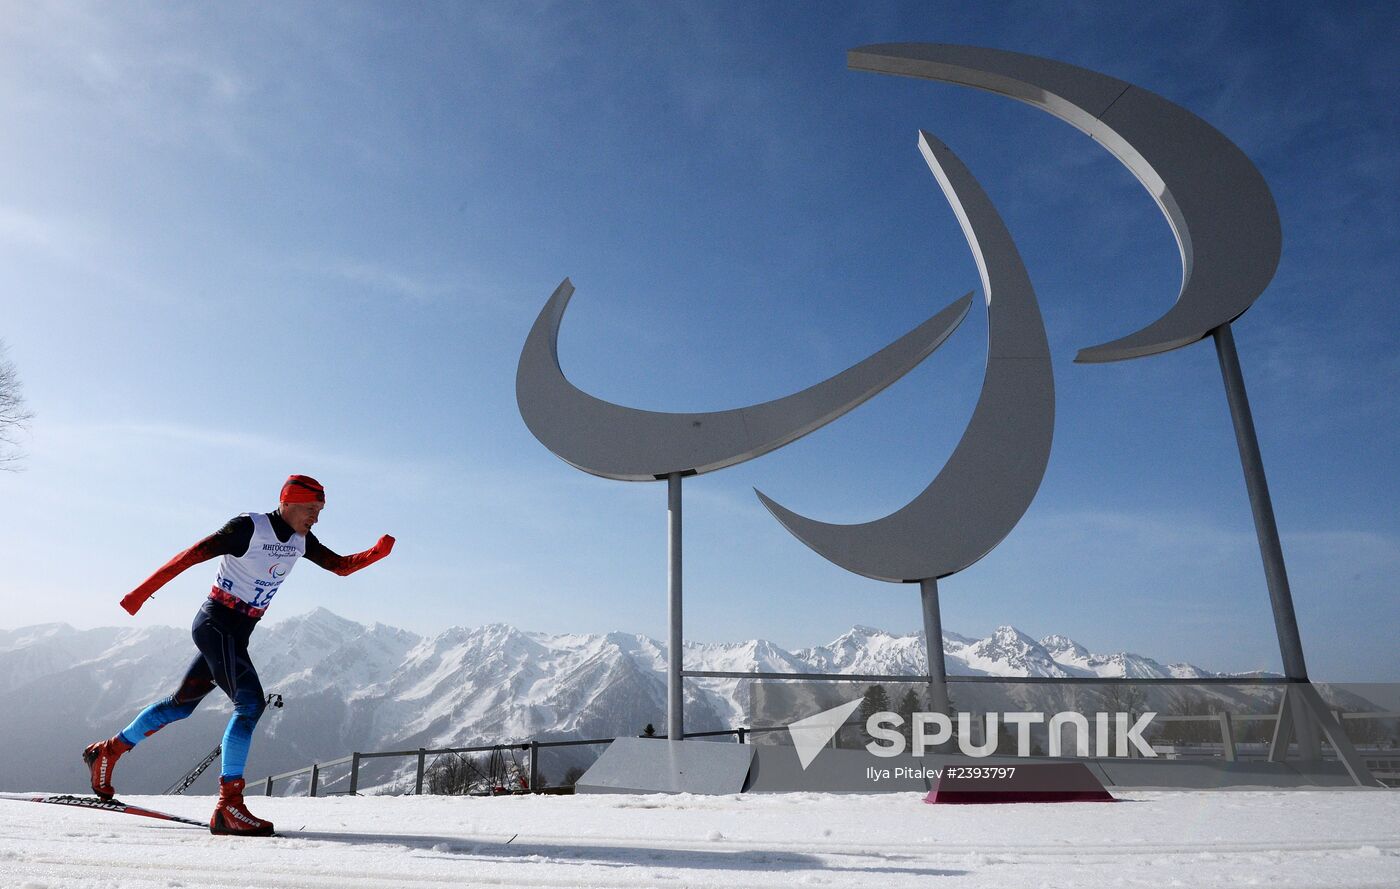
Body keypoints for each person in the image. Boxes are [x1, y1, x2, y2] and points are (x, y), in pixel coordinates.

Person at [83, 475, 394, 836]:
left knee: (180, 705)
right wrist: (138, 596)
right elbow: (189, 556)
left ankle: (107, 751)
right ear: (289, 502)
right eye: (311, 509)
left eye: (320, 511)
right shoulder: (248, 527)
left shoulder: (300, 540)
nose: (316, 518)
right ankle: (229, 805)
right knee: (249, 705)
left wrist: (378, 551)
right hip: (215, 623)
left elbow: (339, 566)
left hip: (236, 633)